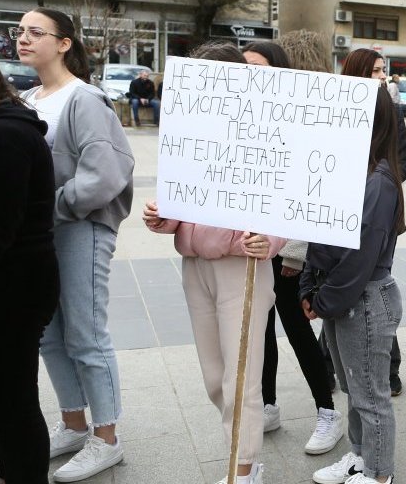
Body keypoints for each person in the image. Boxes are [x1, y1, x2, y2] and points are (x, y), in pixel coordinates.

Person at [143, 42, 283, 484]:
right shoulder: (191, 130)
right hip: (195, 267)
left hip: (241, 269)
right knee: (214, 376)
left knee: (242, 373)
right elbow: (178, 200)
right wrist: (162, 216)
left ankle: (244, 468)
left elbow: (290, 200)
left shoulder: (267, 130)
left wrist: (271, 240)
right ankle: (243, 455)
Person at [16, 8, 134, 482]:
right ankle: (73, 423)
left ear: (64, 43)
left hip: (79, 226)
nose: (23, 39)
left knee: (85, 333)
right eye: (19, 31)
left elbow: (105, 174)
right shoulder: (25, 99)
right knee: (47, 333)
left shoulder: (84, 99)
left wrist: (48, 205)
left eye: (35, 32)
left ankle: (107, 439)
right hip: (36, 235)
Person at [241, 40, 344, 454]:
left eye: (257, 66)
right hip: (248, 249)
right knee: (260, 331)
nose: (249, 73)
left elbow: (312, 186)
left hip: (286, 252)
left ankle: (327, 411)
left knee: (297, 330)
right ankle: (268, 404)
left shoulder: (300, 117)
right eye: (243, 66)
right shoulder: (240, 112)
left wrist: (295, 251)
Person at [302, 86, 403, 484]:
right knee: (352, 386)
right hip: (340, 296)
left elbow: (359, 258)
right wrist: (309, 289)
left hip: (363, 299)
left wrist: (323, 300)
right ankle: (361, 455)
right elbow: (319, 233)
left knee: (370, 394)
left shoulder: (380, 181)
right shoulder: (346, 168)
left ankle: (379, 473)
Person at [0, 42, 60, 484]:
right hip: (5, 283)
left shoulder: (8, 134)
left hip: (13, 288)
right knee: (2, 396)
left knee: (12, 400)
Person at [338, 47, 406, 397]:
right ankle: (335, 358)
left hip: (378, 216)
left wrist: (376, 181)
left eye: (383, 70)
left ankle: (389, 369)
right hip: (341, 212)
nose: (382, 77)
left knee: (372, 288)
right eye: (374, 71)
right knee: (341, 280)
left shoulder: (390, 111)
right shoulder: (337, 109)